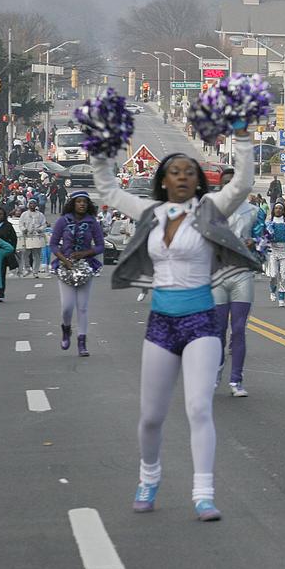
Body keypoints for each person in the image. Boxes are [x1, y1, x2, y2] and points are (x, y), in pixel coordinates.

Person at [92, 124, 257, 521]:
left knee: (199, 407)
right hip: (161, 325)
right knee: (151, 415)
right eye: (175, 171)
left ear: (199, 181)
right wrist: (100, 149)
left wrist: (245, 139)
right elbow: (109, 190)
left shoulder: (209, 210)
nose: (182, 176)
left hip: (201, 320)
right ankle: (149, 476)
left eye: (189, 171)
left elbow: (242, 185)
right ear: (163, 181)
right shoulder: (150, 212)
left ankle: (204, 493)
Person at [213, 168, 261, 397]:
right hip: (218, 276)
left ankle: (236, 380)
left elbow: (263, 238)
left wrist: (254, 242)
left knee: (239, 329)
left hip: (242, 273)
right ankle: (216, 371)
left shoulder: (252, 211)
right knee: (218, 329)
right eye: (225, 183)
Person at [49, 192, 105, 356]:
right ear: (73, 203)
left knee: (82, 307)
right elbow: (53, 244)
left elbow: (101, 246)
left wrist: (86, 253)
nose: (82, 204)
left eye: (85, 202)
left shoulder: (92, 222)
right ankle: (66, 329)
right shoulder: (62, 221)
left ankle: (82, 342)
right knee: (67, 307)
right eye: (79, 202)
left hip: (85, 266)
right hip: (65, 267)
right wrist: (64, 260)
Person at [255, 202, 285, 307]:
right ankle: (272, 290)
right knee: (273, 275)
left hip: (284, 251)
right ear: (273, 210)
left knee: (283, 276)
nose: (278, 210)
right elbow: (262, 234)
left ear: (283, 210)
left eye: (280, 208)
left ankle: (281, 298)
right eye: (276, 208)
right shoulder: (269, 223)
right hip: (272, 251)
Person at [19, 199, 47, 278]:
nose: (32, 205)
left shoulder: (40, 215)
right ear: (28, 204)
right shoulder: (24, 214)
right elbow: (21, 224)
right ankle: (27, 269)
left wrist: (39, 229)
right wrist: (24, 229)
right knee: (25, 254)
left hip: (37, 237)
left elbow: (44, 224)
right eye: (31, 203)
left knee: (37, 255)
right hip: (27, 237)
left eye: (34, 203)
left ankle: (35, 271)